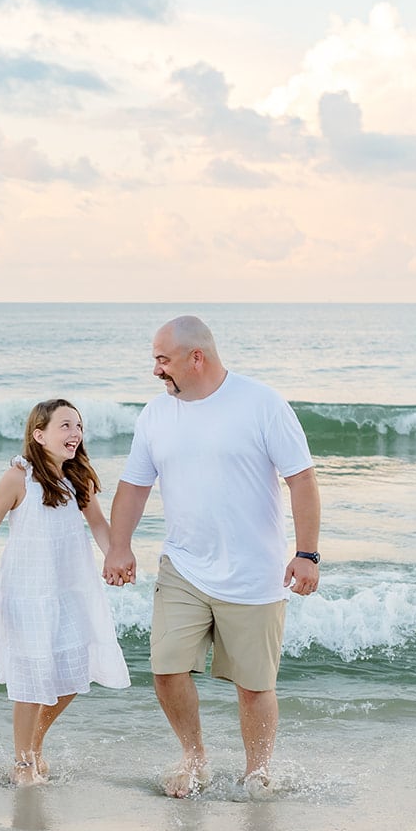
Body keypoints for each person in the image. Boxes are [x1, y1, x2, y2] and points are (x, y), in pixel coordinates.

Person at [103, 316, 321, 798]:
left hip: (253, 572)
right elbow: (134, 486)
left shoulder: (261, 404)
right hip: (183, 566)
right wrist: (119, 547)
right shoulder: (157, 415)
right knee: (165, 669)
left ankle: (258, 771)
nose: (156, 370)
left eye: (163, 359)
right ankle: (193, 757)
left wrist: (307, 554)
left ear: (195, 357)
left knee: (254, 685)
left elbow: (302, 479)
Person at [0, 399, 130, 786]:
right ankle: (23, 763)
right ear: (39, 435)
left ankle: (35, 743)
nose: (75, 434)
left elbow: (100, 525)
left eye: (78, 427)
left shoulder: (78, 478)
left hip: (70, 588)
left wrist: (117, 557)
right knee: (30, 680)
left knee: (73, 673)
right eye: (66, 426)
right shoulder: (18, 478)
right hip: (27, 590)